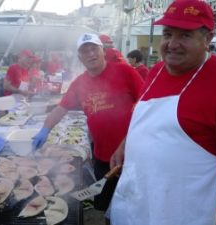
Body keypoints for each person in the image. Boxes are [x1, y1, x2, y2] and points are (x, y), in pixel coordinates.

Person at [108, 1, 216, 225]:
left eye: (185, 36)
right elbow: (145, 119)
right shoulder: (157, 70)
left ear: (207, 39)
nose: (172, 44)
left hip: (187, 209)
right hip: (140, 197)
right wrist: (125, 144)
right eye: (168, 34)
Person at [32, 33, 143, 221]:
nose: (90, 54)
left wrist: (130, 141)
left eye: (94, 49)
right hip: (102, 157)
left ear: (103, 51)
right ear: (80, 58)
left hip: (133, 153)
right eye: (85, 51)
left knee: (133, 207)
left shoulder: (125, 72)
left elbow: (147, 104)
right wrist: (45, 129)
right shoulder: (79, 84)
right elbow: (60, 110)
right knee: (107, 207)